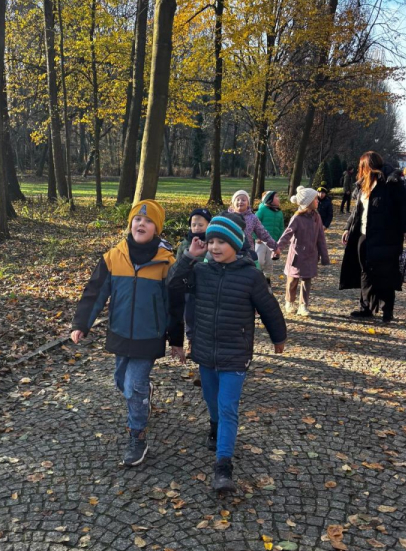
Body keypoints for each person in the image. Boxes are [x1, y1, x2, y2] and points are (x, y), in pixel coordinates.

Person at [167, 213, 286, 493]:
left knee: (228, 406)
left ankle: (223, 466)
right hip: (205, 351)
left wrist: (278, 337)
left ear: (235, 243)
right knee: (212, 399)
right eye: (211, 242)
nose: (215, 247)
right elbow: (172, 284)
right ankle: (214, 425)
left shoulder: (251, 276)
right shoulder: (200, 272)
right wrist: (189, 257)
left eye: (221, 242)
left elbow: (269, 308)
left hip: (235, 354)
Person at [70, 199, 185, 467]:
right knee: (121, 381)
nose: (141, 224)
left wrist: (176, 340)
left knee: (133, 387)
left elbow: (175, 305)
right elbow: (94, 292)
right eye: (137, 219)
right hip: (120, 332)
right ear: (130, 224)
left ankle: (137, 436)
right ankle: (144, 392)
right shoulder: (113, 257)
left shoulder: (166, 263)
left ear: (157, 229)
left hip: (150, 335)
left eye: (148, 221)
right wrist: (81, 324)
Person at [340, 151, 406, 323]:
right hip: (364, 235)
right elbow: (357, 210)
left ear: (367, 166)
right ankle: (366, 307)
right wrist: (347, 228)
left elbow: (403, 208)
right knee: (365, 271)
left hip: (386, 237)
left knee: (386, 273)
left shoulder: (391, 183)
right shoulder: (363, 184)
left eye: (362, 166)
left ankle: (387, 310)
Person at [276, 186, 330, 317]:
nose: (317, 201)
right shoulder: (297, 218)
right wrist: (277, 248)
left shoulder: (317, 217)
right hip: (297, 255)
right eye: (315, 199)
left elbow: (321, 237)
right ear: (308, 202)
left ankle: (303, 305)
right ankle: (289, 301)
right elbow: (287, 234)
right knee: (292, 280)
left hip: (311, 255)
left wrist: (324, 256)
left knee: (307, 280)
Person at [176, 207, 212, 344]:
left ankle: (205, 339)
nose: (196, 228)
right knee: (189, 315)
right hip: (189, 286)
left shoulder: (212, 243)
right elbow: (177, 264)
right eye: (193, 224)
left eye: (201, 225)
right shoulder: (185, 244)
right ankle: (191, 339)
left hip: (207, 286)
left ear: (209, 225)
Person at [229, 189, 279, 263]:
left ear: (248, 203)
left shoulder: (252, 218)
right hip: (229, 253)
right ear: (233, 202)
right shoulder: (227, 217)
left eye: (243, 200)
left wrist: (275, 247)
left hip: (247, 254)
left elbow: (263, 233)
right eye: (238, 200)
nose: (240, 202)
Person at [255, 190, 285, 283]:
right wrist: (256, 237)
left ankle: (267, 279)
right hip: (261, 241)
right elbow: (254, 223)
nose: (278, 198)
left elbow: (281, 227)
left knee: (269, 262)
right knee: (259, 260)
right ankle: (257, 276)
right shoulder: (262, 210)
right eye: (276, 196)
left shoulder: (279, 212)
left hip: (273, 241)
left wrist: (280, 239)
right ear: (269, 199)